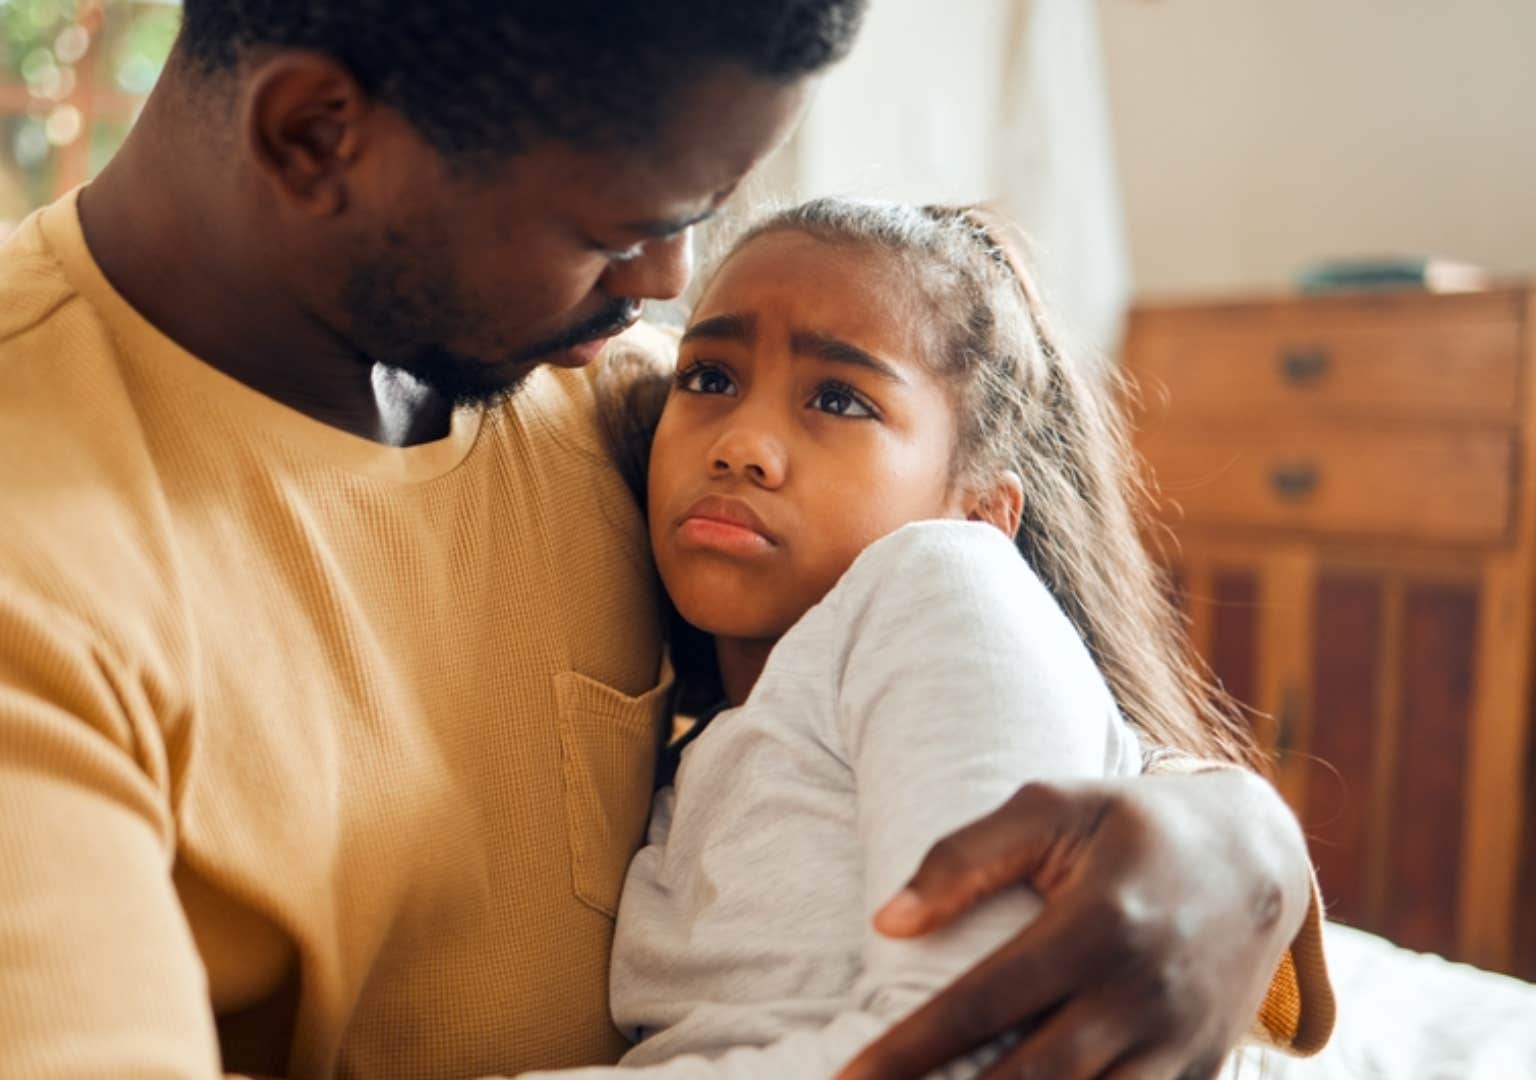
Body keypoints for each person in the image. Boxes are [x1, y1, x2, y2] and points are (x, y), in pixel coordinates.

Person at [0, 3, 1328, 1078]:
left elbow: (938, 644)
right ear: (315, 136)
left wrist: (1234, 836)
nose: (665, 293)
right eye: (618, 230)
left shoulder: (584, 407)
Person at [515, 199, 1307, 1080]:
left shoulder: (942, 580)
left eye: (838, 398)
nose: (742, 446)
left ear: (980, 511)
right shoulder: (704, 759)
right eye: (707, 379)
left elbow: (964, 1043)